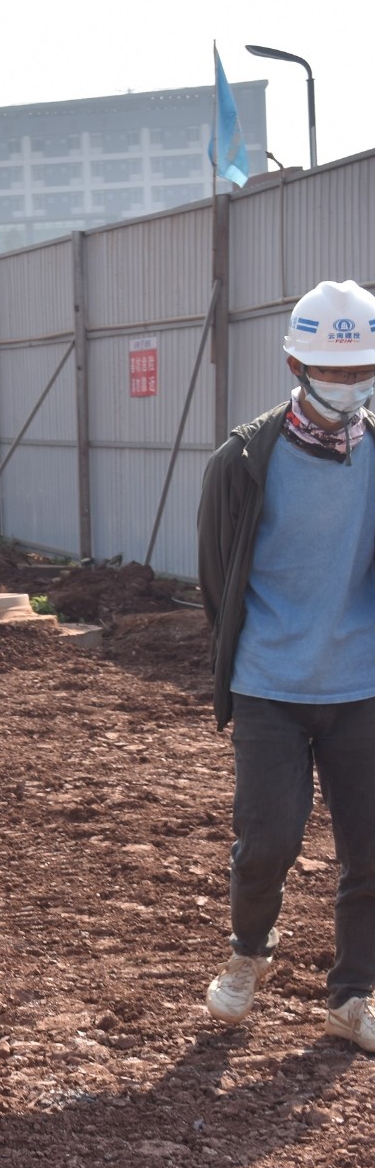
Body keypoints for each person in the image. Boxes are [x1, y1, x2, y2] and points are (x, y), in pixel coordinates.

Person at [197, 279, 375, 1053]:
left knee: (370, 847)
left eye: (361, 371)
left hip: (362, 683)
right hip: (269, 682)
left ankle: (353, 994)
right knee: (267, 836)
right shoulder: (242, 460)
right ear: (297, 364)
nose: (348, 384)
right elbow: (216, 576)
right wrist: (243, 653)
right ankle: (249, 951)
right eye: (332, 370)